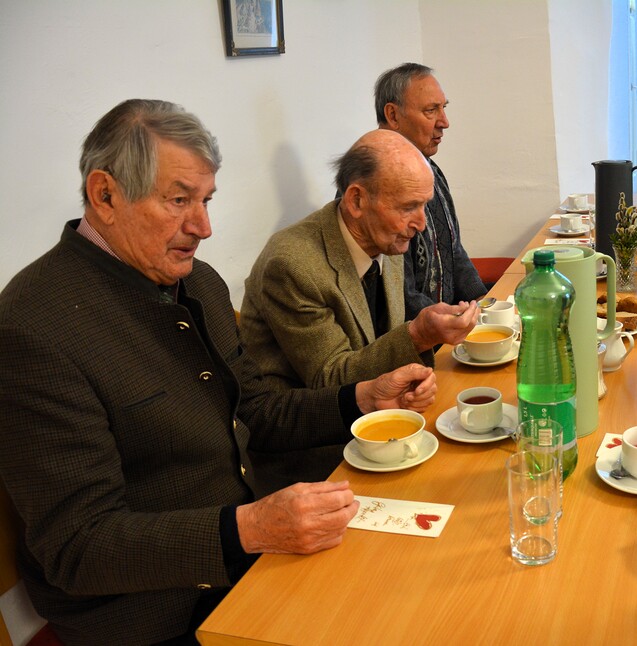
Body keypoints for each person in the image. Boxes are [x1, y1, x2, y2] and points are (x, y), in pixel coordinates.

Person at [0, 99, 437, 645]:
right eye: (178, 200)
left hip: (248, 554)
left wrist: (362, 399)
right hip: (154, 614)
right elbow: (78, 548)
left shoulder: (197, 282)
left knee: (420, 590)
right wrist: (249, 528)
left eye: (205, 200)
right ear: (105, 195)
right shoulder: (34, 328)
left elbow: (255, 411)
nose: (203, 227)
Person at [240, 129, 477, 492]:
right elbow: (331, 379)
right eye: (408, 207)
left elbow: (379, 347)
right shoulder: (292, 264)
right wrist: (418, 335)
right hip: (314, 461)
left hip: (379, 428)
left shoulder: (384, 237)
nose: (421, 223)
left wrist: (412, 379)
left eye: (424, 205)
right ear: (356, 201)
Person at [375, 62, 487, 318]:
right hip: (415, 332)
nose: (444, 122)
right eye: (431, 110)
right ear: (393, 115)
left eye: (443, 108)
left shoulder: (429, 167)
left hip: (447, 321)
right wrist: (450, 320)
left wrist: (481, 301)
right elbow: (396, 294)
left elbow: (453, 250)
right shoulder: (375, 182)